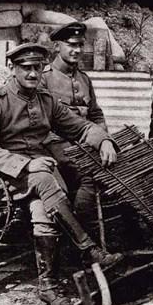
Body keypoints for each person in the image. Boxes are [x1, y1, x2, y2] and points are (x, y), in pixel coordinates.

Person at [0, 43, 122, 305]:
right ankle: (87, 248)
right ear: (13, 69)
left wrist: (104, 140)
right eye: (26, 68)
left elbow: (80, 127)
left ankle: (48, 286)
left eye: (37, 68)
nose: (32, 74)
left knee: (43, 206)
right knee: (44, 177)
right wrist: (26, 164)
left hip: (37, 179)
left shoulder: (46, 100)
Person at [39, 22, 106, 237]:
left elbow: (95, 114)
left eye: (80, 45)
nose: (77, 50)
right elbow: (42, 123)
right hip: (56, 145)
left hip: (85, 142)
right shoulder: (43, 78)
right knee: (89, 176)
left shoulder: (84, 79)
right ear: (57, 47)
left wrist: (103, 138)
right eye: (71, 45)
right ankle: (82, 237)